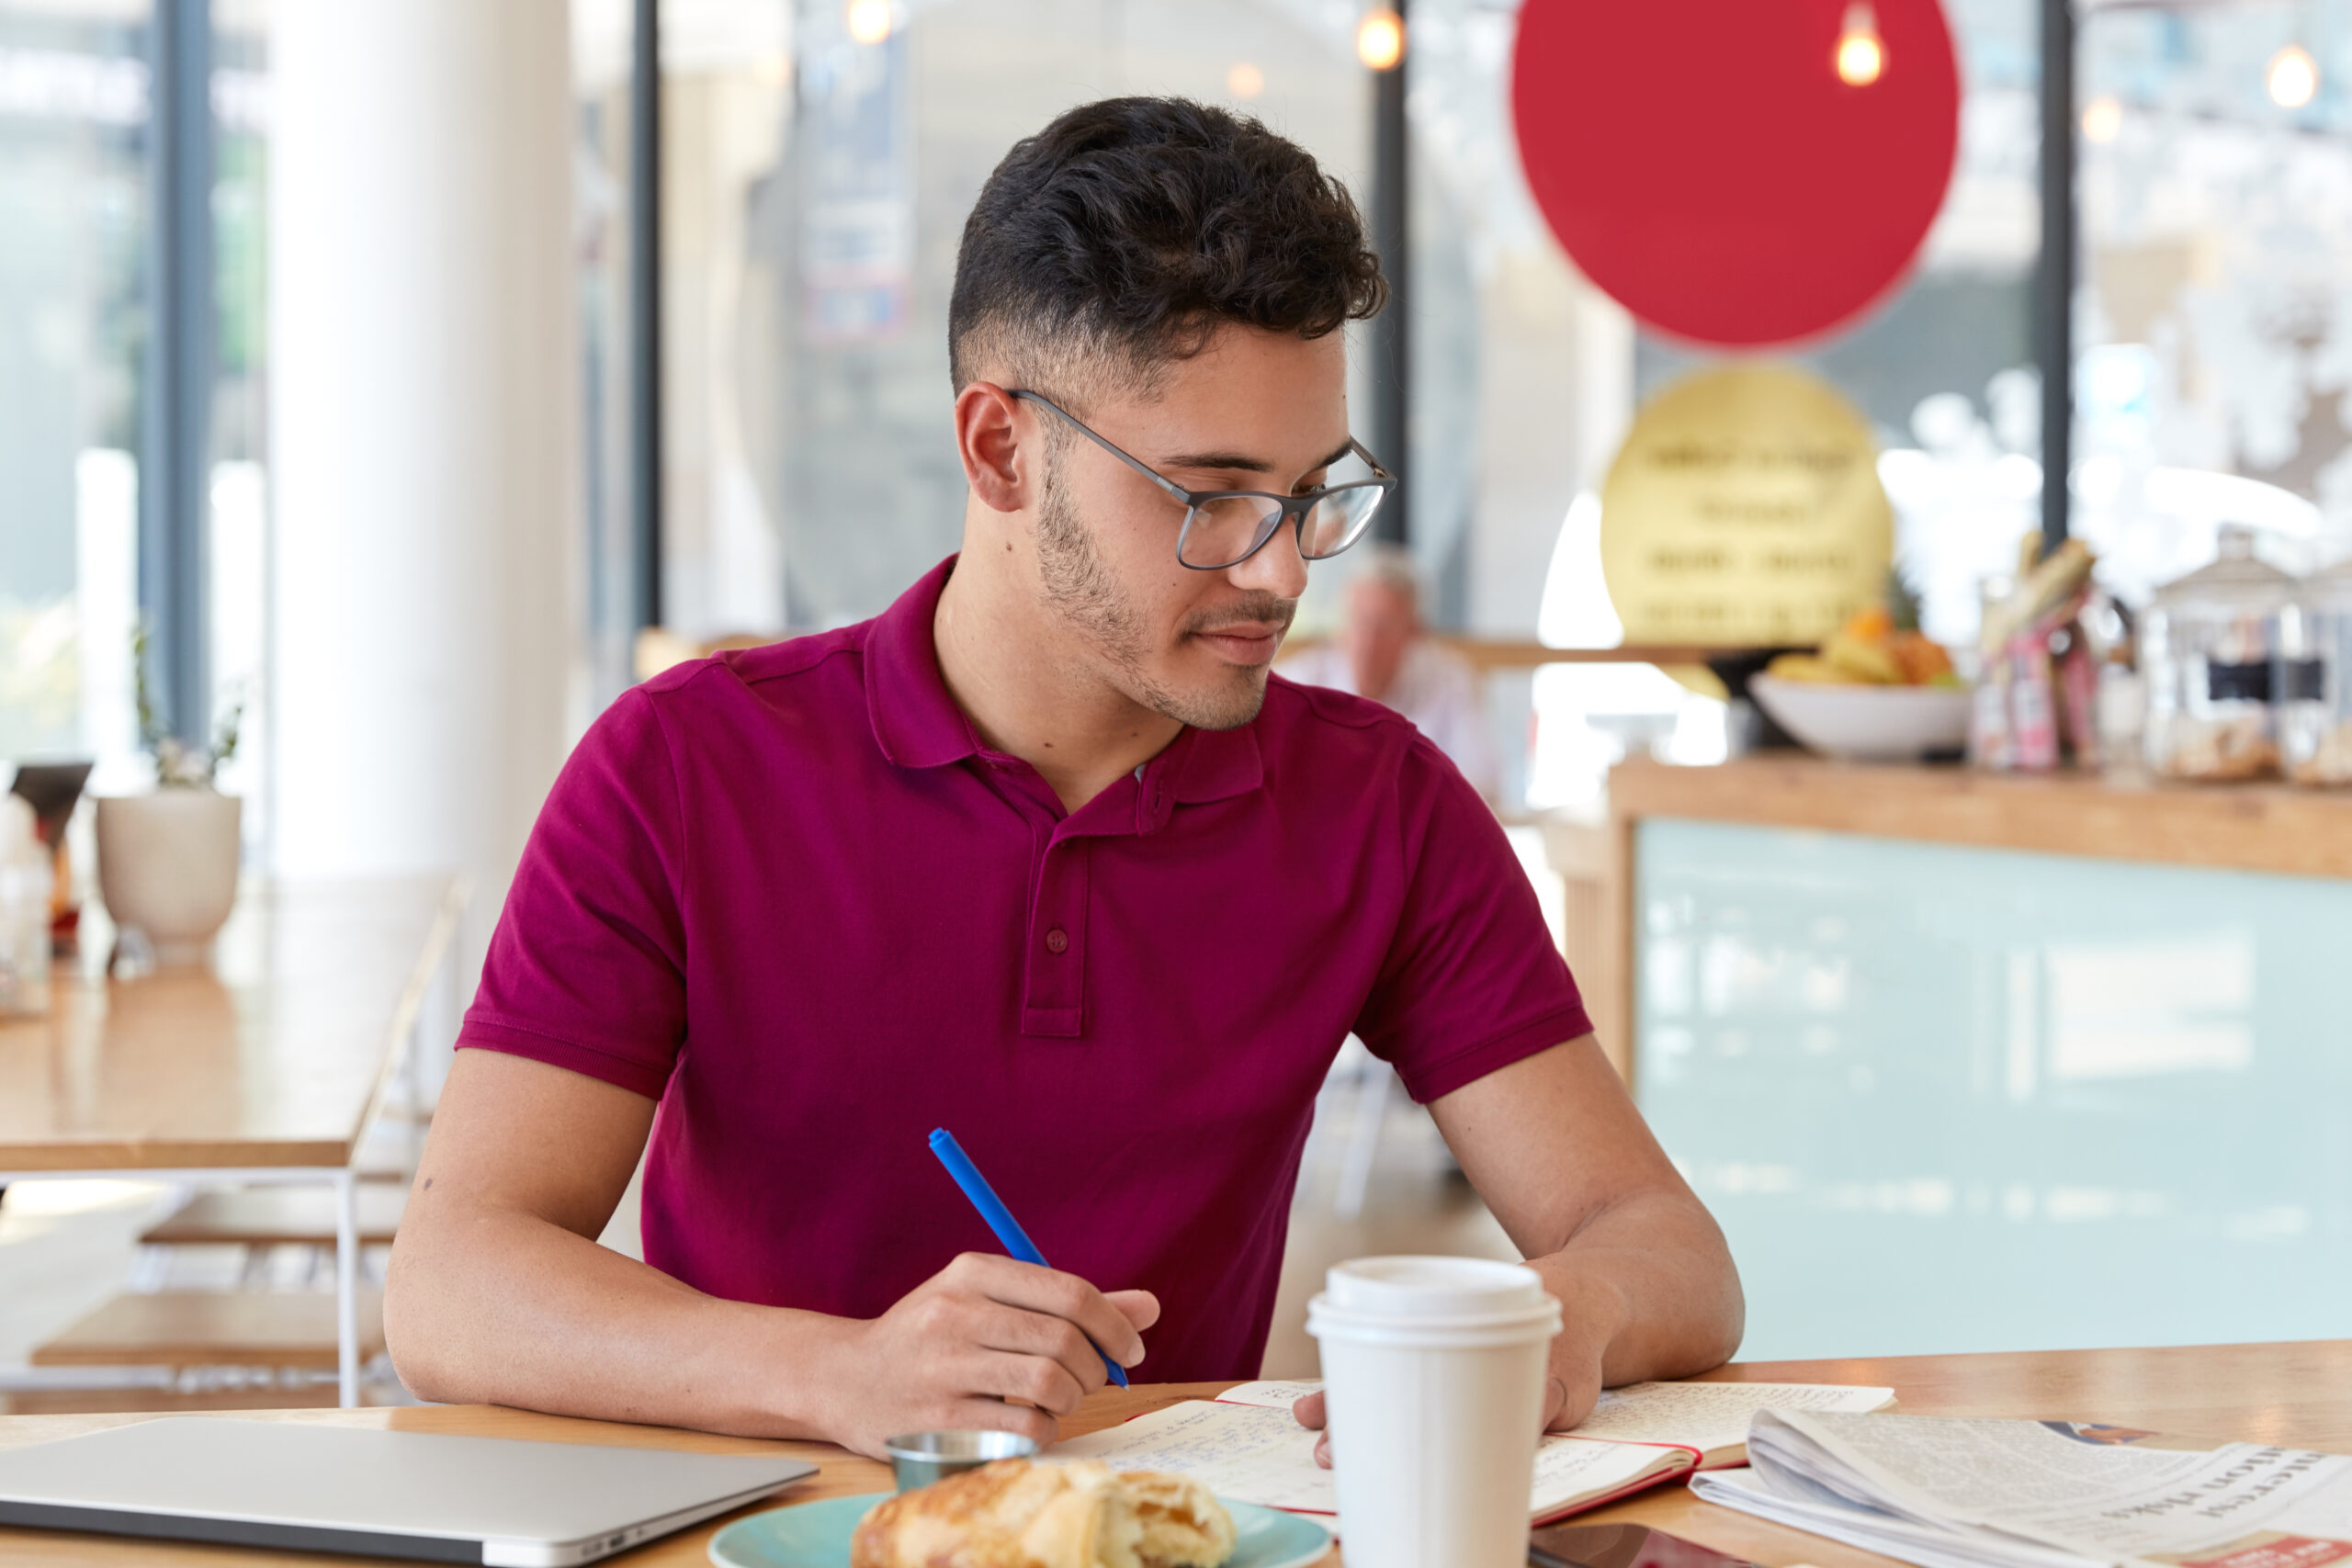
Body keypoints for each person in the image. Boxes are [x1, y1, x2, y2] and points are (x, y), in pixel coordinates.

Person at [384, 96, 1741, 1462]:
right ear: (1000, 450)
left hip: (1175, 1538)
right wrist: (843, 1374)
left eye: (1309, 493)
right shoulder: (682, 765)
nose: (1280, 571)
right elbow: (451, 1279)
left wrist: (1562, 1312)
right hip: (756, 1531)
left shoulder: (1382, 805)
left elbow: (1666, 1246)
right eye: (1210, 494)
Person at [1282, 546, 1501, 801]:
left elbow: (1483, 785)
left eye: (1384, 625)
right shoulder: (1298, 681)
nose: (1368, 640)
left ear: (1415, 632)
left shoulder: (1450, 681)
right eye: (1360, 621)